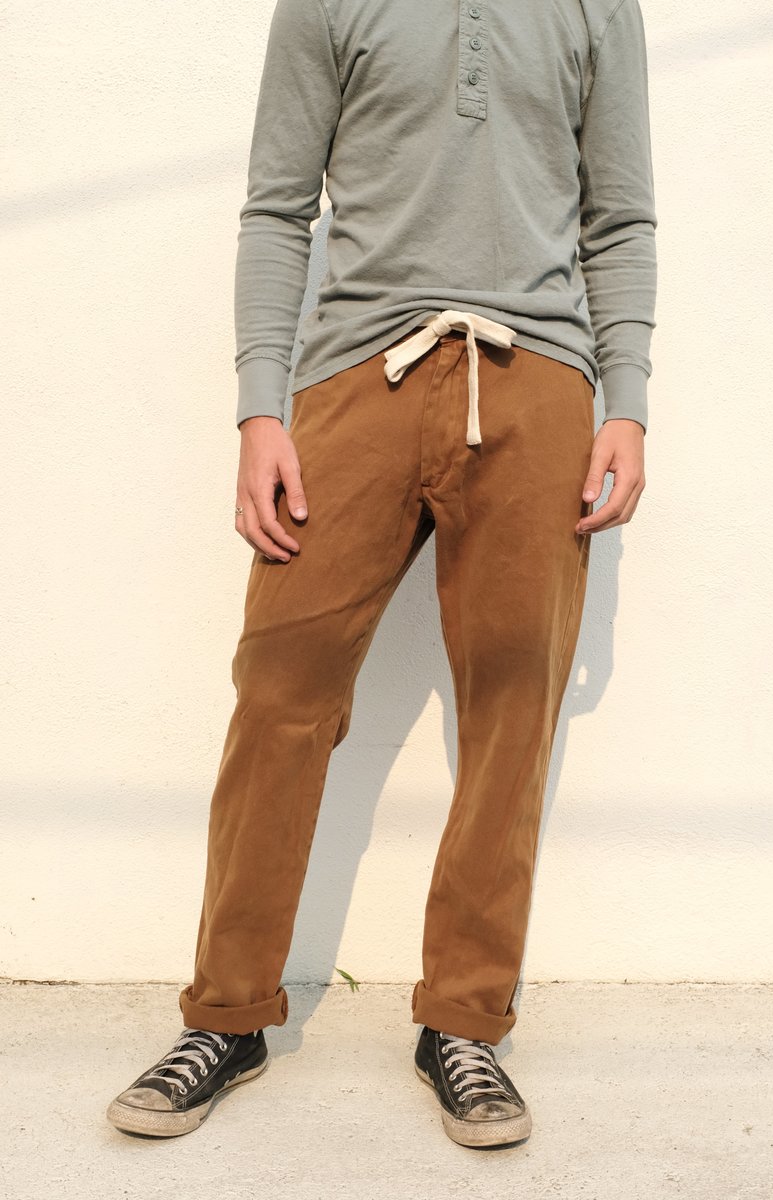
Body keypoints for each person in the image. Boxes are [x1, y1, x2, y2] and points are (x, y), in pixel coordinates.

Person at [106, 0, 657, 1149]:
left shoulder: (598, 7)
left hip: (538, 378)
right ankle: (227, 1016)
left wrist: (625, 403)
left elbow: (617, 219)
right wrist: (260, 408)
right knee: (280, 689)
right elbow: (277, 206)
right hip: (357, 372)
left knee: (511, 708)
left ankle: (464, 1021)